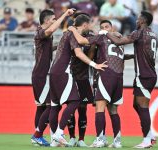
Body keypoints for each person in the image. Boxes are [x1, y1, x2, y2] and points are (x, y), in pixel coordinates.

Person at [68, 19, 133, 148]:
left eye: (106, 26)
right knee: (113, 109)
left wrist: (73, 29)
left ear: (112, 28)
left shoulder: (101, 38)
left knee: (100, 107)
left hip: (105, 74)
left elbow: (82, 42)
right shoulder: (119, 40)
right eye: (102, 26)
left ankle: (100, 139)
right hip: (119, 77)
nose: (104, 28)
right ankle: (117, 141)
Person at [49, 14, 107, 147]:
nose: (92, 26)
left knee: (56, 105)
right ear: (85, 24)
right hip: (66, 72)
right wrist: (95, 65)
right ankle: (60, 134)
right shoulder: (72, 34)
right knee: (74, 101)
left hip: (57, 72)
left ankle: (56, 138)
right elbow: (80, 51)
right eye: (90, 23)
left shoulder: (69, 33)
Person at [106, 11, 158, 148]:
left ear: (142, 21)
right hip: (149, 74)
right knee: (136, 105)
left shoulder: (138, 32)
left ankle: (147, 140)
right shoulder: (153, 34)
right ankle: (150, 135)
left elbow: (117, 42)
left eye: (138, 19)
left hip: (144, 75)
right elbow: (141, 52)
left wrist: (104, 33)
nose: (136, 21)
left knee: (143, 106)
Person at [30, 8, 75, 147]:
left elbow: (50, 46)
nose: (55, 21)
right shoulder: (41, 32)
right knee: (51, 105)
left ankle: (42, 136)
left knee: (42, 107)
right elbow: (49, 31)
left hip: (40, 74)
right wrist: (65, 15)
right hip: (41, 75)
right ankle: (38, 135)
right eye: (54, 19)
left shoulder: (44, 35)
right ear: (47, 20)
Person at [66, 13, 96, 148]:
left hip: (83, 77)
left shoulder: (89, 36)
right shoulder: (70, 34)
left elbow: (88, 46)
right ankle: (72, 137)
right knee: (71, 108)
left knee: (83, 109)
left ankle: (81, 139)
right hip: (71, 76)